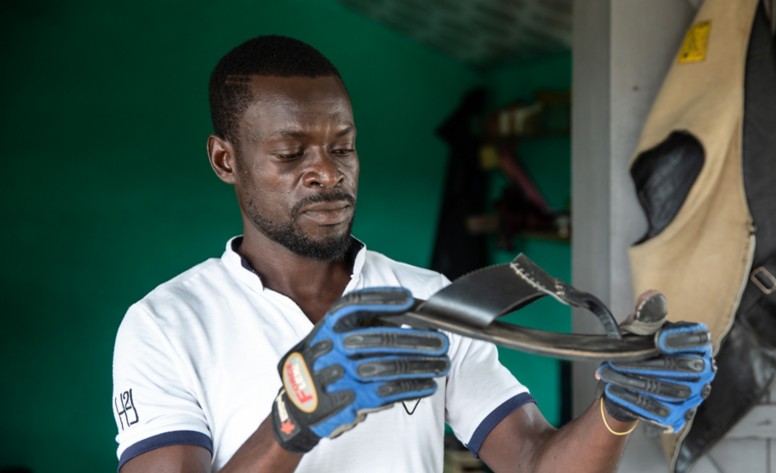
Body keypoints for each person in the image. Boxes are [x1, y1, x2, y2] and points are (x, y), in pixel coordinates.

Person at [112, 35, 715, 473]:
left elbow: (535, 462)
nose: (326, 171)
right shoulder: (165, 325)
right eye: (292, 153)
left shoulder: (430, 299)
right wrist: (294, 421)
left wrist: (616, 408)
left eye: (342, 147)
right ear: (226, 160)